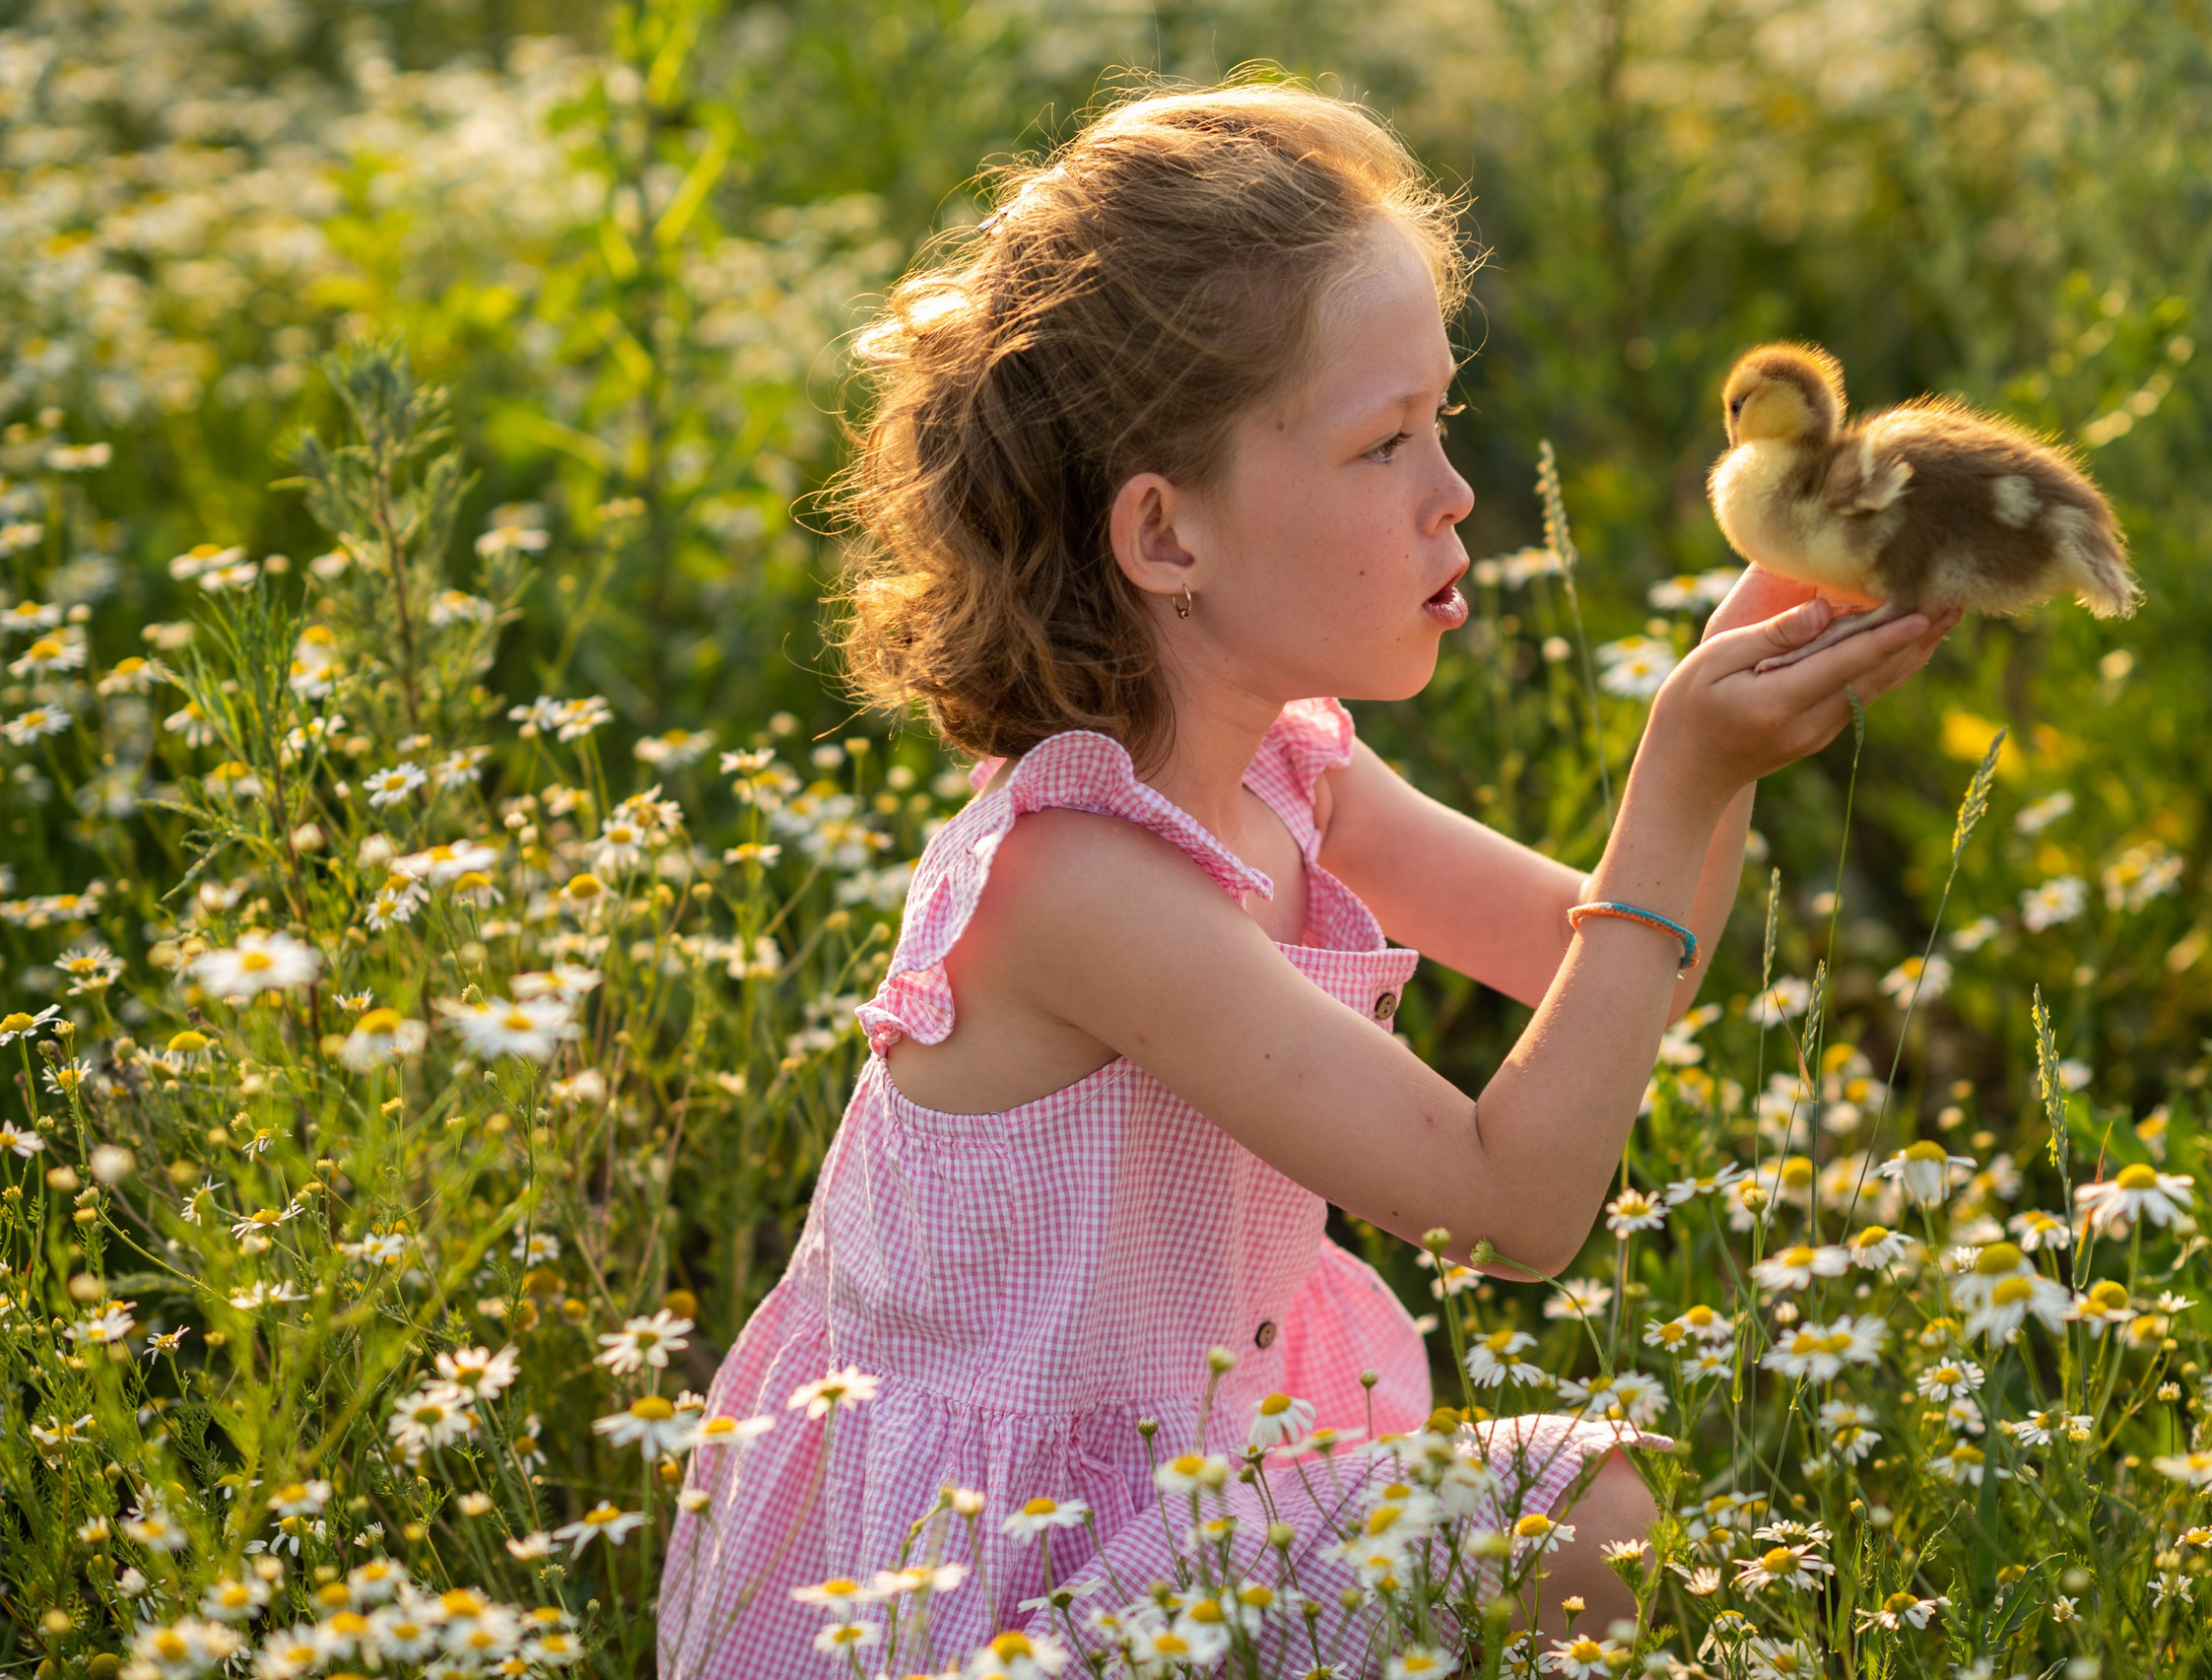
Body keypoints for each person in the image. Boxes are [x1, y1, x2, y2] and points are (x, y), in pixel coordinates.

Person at [657, 80, 1953, 1678]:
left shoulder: (1292, 766)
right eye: (1382, 440)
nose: (1453, 492)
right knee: (1584, 1517)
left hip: (1175, 1520)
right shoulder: (1084, 885)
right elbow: (1515, 1205)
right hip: (978, 1614)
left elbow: (1633, 968)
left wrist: (1728, 694)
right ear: (1167, 536)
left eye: (1443, 424)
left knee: (1565, 1511)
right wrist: (1685, 766)